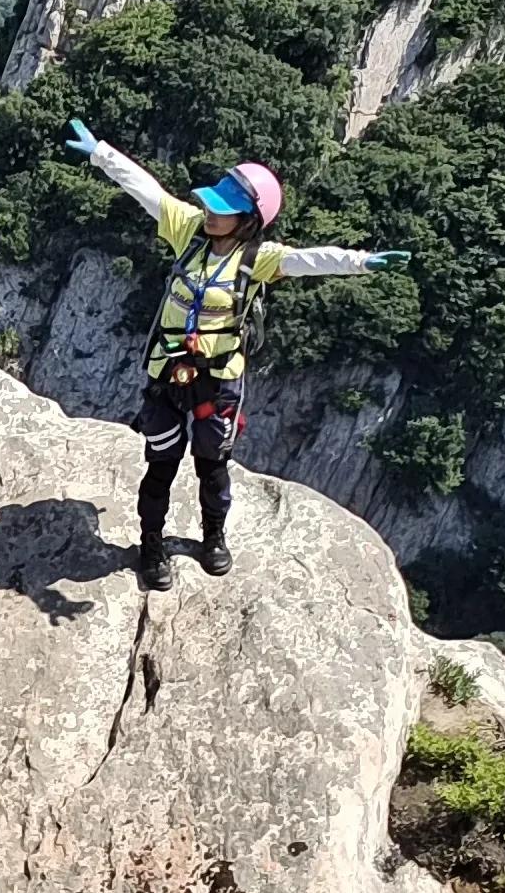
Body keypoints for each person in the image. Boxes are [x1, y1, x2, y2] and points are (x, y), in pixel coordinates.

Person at [64, 117, 404, 589]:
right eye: (211, 204)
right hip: (168, 371)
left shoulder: (255, 259)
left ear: (248, 220)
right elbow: (147, 190)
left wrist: (362, 262)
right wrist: (101, 152)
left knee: (212, 465)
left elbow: (309, 261)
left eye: (222, 209)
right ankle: (152, 546)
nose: (209, 213)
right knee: (160, 462)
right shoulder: (188, 230)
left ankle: (214, 537)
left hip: (219, 377)